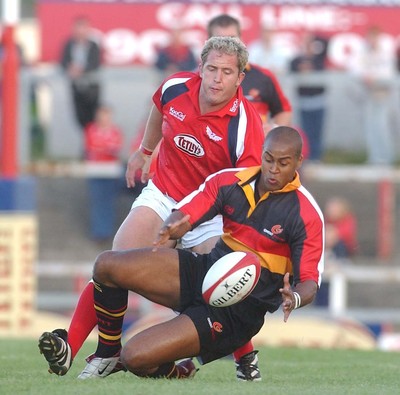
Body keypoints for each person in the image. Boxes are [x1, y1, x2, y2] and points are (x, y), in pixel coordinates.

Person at [38, 36, 265, 380]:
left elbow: (245, 189)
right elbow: (158, 108)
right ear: (200, 69)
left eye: (227, 72)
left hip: (210, 214)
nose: (218, 78)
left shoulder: (245, 125)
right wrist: (145, 150)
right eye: (212, 69)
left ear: (240, 78)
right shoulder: (174, 87)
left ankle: (245, 360)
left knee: (221, 281)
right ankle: (86, 348)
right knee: (117, 262)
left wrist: (208, 220)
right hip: (164, 193)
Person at [77, 126, 324, 380]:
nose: (273, 169)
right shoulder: (230, 181)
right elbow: (188, 211)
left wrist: (293, 298)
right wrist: (170, 225)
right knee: (106, 265)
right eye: (268, 159)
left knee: (135, 357)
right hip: (206, 271)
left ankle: (180, 373)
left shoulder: (306, 214)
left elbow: (309, 283)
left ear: (298, 162)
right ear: (261, 154)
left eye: (283, 163)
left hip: (237, 314)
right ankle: (107, 351)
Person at [206, 14, 292, 134]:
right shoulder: (197, 79)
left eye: (232, 39)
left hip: (255, 149)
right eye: (219, 39)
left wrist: (273, 129)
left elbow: (284, 110)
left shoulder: (264, 77)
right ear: (208, 43)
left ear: (241, 40)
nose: (226, 46)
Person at [347, 25, 396, 165]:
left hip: (382, 93)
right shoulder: (362, 51)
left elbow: (389, 72)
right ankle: (374, 157)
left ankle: (386, 158)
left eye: (375, 38)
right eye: (370, 38)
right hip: (367, 93)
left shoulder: (386, 51)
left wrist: (375, 77)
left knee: (382, 125)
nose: (372, 41)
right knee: (370, 126)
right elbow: (353, 68)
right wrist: (364, 75)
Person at [84, 104, 124, 242]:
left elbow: (115, 148)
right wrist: (104, 149)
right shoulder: (91, 129)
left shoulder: (115, 131)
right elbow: (91, 148)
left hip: (110, 171)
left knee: (108, 201)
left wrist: (103, 149)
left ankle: (107, 231)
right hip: (95, 171)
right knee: (97, 201)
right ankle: (99, 232)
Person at [289, 32, 329, 162]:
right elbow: (292, 68)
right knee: (305, 132)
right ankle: (306, 157)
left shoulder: (319, 59)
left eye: (310, 43)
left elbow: (327, 42)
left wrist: (314, 38)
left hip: (318, 101)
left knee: (317, 132)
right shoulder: (297, 60)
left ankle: (316, 158)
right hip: (304, 102)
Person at [60, 16, 102, 130]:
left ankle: (93, 142)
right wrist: (70, 69)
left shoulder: (93, 45)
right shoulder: (69, 44)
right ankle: (87, 140)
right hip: (76, 86)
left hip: (91, 87)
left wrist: (81, 70)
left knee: (92, 116)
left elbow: (95, 63)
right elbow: (63, 61)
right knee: (80, 116)